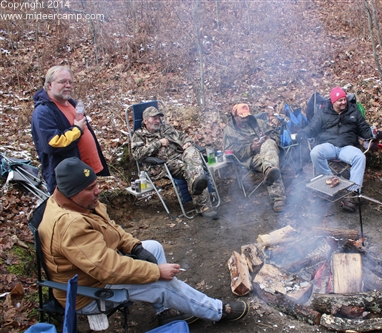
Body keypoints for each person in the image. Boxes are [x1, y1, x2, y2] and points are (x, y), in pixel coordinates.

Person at [38, 157, 248, 326]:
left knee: (153, 248)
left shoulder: (80, 203)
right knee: (162, 285)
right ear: (71, 193)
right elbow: (108, 270)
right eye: (90, 188)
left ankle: (165, 311)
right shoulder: (70, 225)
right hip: (88, 293)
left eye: (96, 185)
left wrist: (135, 247)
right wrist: (157, 273)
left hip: (95, 273)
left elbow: (112, 229)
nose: (98, 191)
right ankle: (217, 311)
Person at [296, 87, 382, 212]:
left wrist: (375, 134)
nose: (343, 102)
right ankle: (330, 180)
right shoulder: (323, 113)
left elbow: (364, 130)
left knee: (360, 157)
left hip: (347, 146)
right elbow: (312, 127)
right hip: (328, 145)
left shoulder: (354, 112)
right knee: (315, 152)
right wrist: (303, 133)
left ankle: (351, 193)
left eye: (344, 99)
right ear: (333, 102)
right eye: (339, 100)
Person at [31, 65, 109, 194]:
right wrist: (77, 130)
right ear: (49, 85)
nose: (68, 85)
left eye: (70, 82)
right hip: (69, 179)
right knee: (72, 212)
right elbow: (53, 144)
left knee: (88, 209)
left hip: (85, 172)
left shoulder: (72, 103)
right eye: (62, 82)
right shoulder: (43, 112)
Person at [131, 106, 218, 220]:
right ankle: (204, 206)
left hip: (182, 156)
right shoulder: (139, 135)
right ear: (145, 120)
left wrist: (187, 142)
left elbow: (183, 136)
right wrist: (158, 143)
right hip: (163, 164)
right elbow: (137, 155)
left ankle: (197, 181)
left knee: (192, 151)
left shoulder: (166, 128)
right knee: (192, 170)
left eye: (159, 118)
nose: (158, 120)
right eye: (154, 118)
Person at [223, 104, 286, 212]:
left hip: (268, 150)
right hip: (250, 157)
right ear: (234, 116)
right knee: (270, 163)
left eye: (247, 116)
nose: (245, 119)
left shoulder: (258, 123)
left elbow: (275, 135)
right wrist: (250, 148)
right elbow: (230, 151)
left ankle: (269, 172)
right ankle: (278, 197)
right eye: (242, 117)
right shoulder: (229, 131)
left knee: (269, 145)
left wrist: (268, 138)